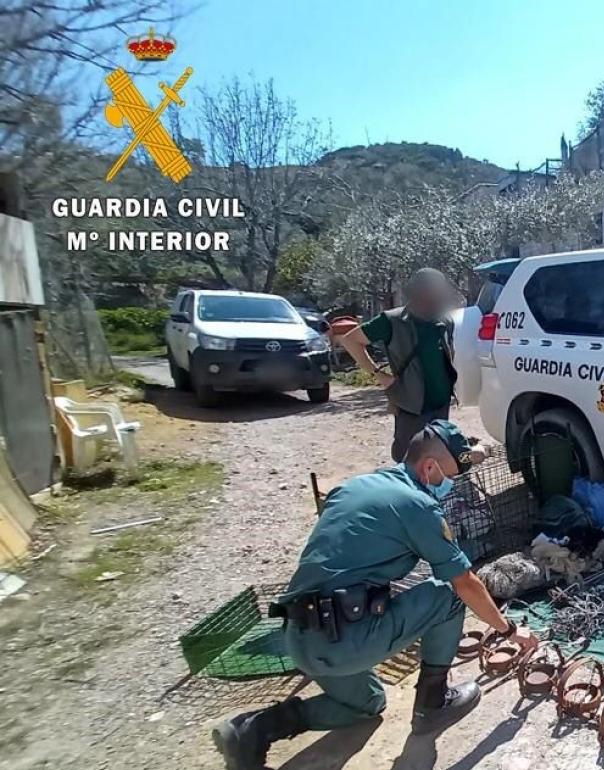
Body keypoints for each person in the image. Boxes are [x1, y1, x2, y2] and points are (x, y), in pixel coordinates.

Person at [211, 420, 537, 770]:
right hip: (343, 640)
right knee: (450, 594)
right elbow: (465, 582)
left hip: (299, 638)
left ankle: (253, 729)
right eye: (449, 477)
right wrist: (508, 630)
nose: (449, 486)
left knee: (368, 703)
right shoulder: (416, 504)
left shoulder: (355, 487)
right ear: (429, 468)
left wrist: (473, 454)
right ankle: (433, 704)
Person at [340, 268, 459, 463]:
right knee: (408, 456)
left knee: (436, 451)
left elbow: (448, 351)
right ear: (420, 292)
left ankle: (433, 490)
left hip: (441, 402)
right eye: (436, 291)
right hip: (410, 404)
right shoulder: (391, 321)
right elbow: (351, 341)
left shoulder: (444, 320)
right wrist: (379, 374)